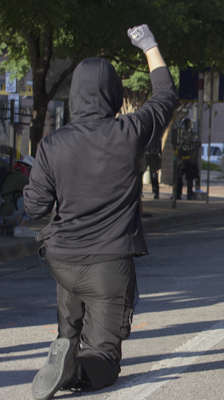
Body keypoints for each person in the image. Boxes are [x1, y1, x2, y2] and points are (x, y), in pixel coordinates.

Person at [24, 24, 178, 400]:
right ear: (112, 93)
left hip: (62, 261)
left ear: (74, 94)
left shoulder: (51, 145)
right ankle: (74, 367)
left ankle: (64, 353)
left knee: (69, 334)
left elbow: (34, 207)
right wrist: (148, 44)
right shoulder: (128, 132)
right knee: (104, 359)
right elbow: (165, 96)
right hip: (109, 264)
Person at [0, 156, 38, 237]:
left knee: (15, 226)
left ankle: (5, 231)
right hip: (4, 217)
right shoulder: (21, 177)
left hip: (3, 216)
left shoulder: (10, 175)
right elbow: (39, 189)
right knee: (35, 194)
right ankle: (21, 229)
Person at [177, 118, 200, 200]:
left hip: (190, 160)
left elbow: (197, 146)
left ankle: (188, 194)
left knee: (189, 178)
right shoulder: (180, 136)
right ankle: (178, 194)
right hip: (183, 159)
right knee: (179, 177)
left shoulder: (193, 135)